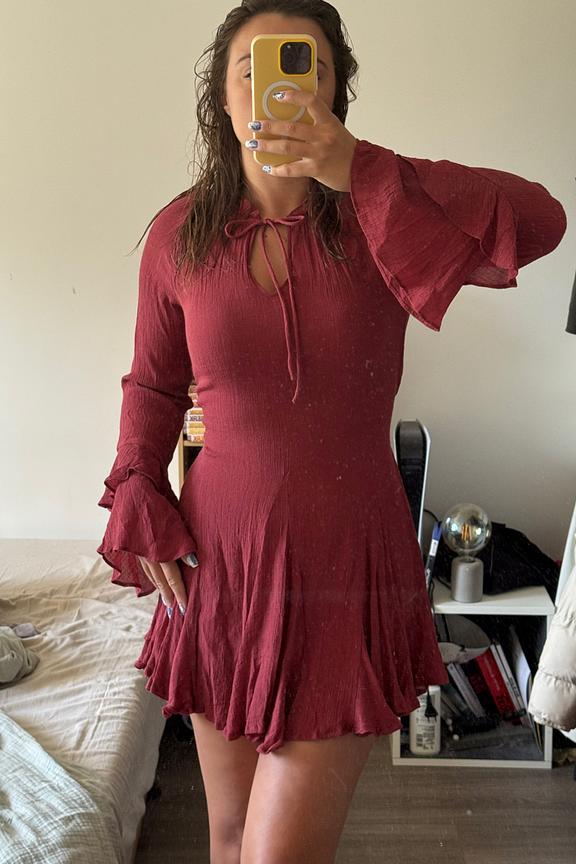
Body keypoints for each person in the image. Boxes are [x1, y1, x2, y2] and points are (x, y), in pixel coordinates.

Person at [96, 2, 567, 862]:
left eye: (302, 67)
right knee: (230, 836)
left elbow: (540, 221)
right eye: (251, 70)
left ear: (332, 93)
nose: (273, 87)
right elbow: (154, 384)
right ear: (223, 98)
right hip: (220, 564)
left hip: (347, 561)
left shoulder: (383, 219)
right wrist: (136, 480)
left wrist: (361, 168)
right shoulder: (178, 236)